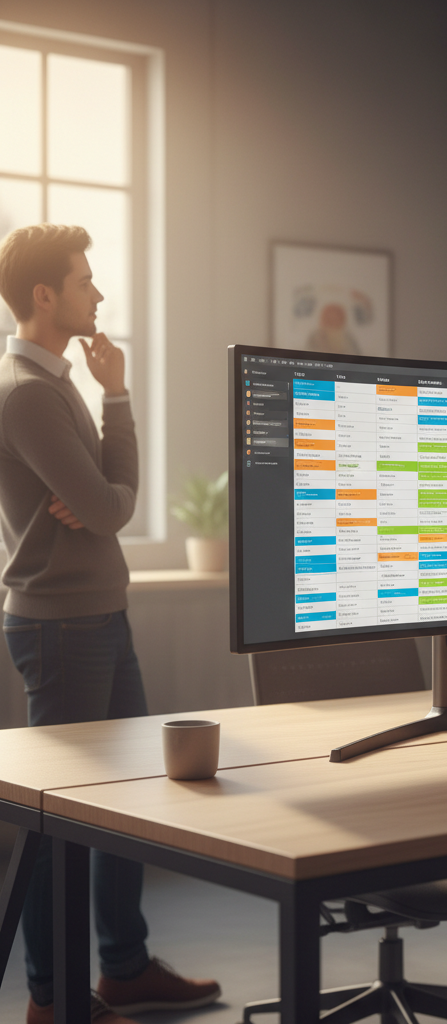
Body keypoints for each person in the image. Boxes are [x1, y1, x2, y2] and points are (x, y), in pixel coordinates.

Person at [0, 224, 221, 1024]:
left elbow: (106, 502)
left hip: (98, 616)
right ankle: (52, 1001)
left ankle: (122, 970)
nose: (99, 294)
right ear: (45, 296)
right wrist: (107, 479)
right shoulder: (26, 390)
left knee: (128, 801)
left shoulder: (57, 383)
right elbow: (110, 506)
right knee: (59, 821)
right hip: (61, 631)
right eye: (86, 281)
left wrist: (112, 406)